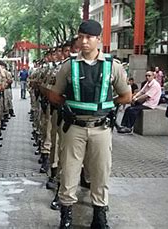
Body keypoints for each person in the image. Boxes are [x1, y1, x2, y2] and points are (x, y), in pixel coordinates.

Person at [44, 20, 132, 228]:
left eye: (89, 37)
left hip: (101, 128)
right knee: (69, 171)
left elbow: (127, 96)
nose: (84, 41)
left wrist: (106, 106)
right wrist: (74, 107)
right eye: (81, 37)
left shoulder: (113, 66)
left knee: (101, 172)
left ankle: (99, 215)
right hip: (74, 127)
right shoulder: (69, 66)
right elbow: (55, 95)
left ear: (99, 39)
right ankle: (66, 214)